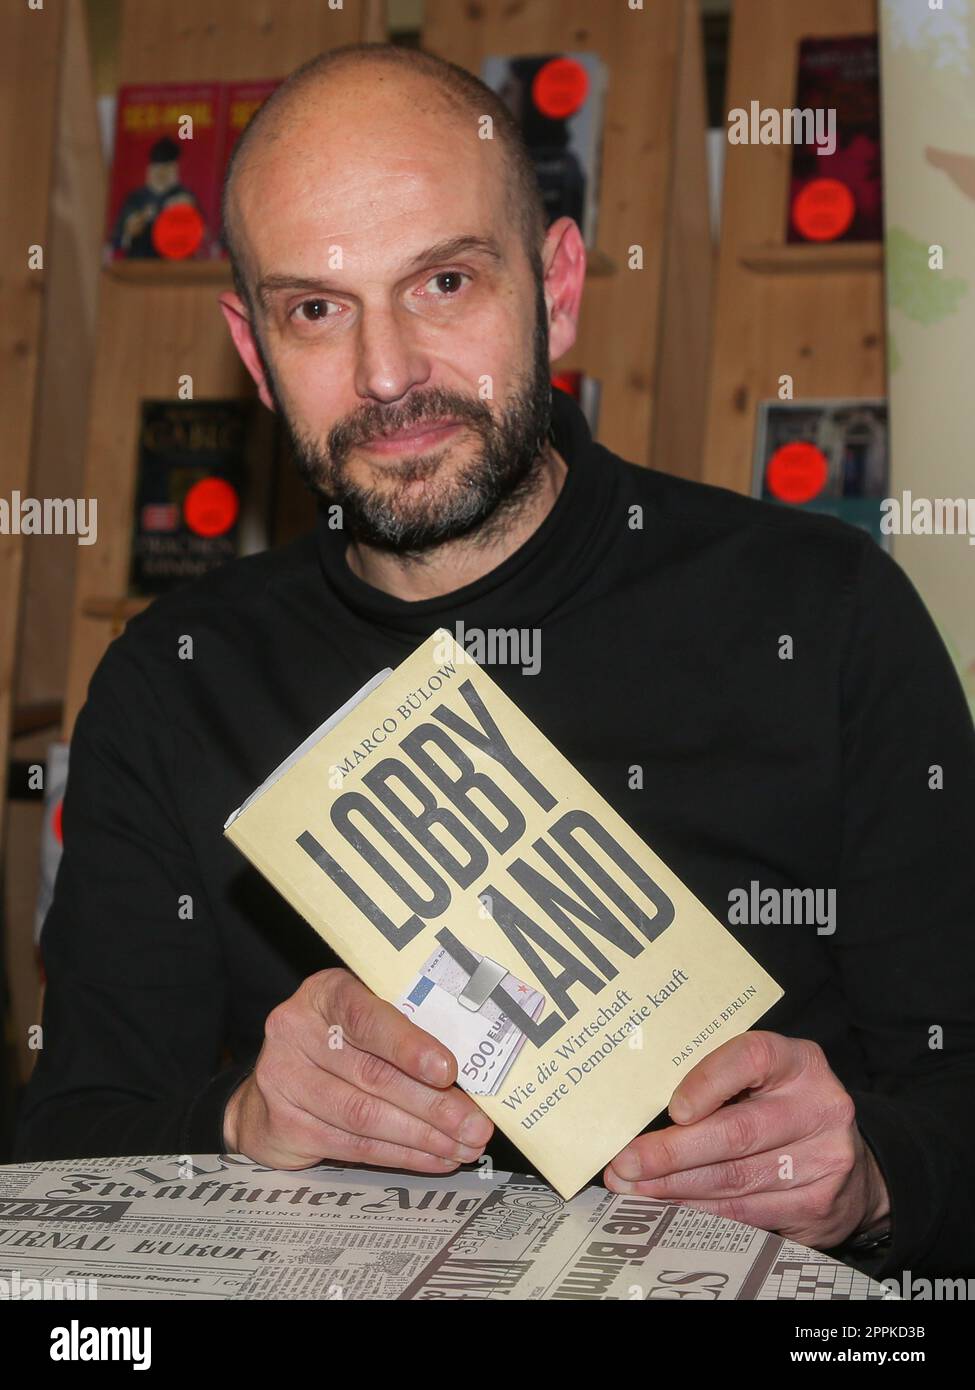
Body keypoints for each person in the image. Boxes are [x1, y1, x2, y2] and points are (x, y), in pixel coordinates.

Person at [17, 44, 975, 1284]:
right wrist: (241, 1122)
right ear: (253, 355)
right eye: (317, 308)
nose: (388, 372)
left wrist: (872, 1179)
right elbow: (66, 1153)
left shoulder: (826, 610)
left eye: (446, 281)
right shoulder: (173, 683)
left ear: (558, 286)